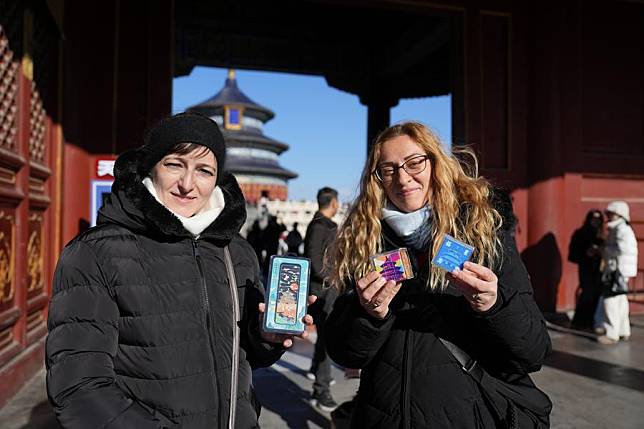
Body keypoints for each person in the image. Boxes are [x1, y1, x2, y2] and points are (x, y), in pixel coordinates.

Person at [45, 112, 313, 429]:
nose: (188, 185)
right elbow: (79, 389)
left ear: (217, 179)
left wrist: (264, 337)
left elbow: (238, 358)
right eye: (174, 164)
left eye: (204, 170)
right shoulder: (95, 254)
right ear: (151, 166)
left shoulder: (236, 251)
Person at [325, 122, 552, 428]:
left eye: (414, 162)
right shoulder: (364, 242)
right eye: (388, 169)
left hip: (468, 415)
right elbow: (345, 353)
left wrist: (492, 305)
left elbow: (533, 352)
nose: (403, 178)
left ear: (435, 162)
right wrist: (367, 315)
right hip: (384, 417)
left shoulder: (481, 231)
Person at [304, 187, 340, 412]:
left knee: (324, 339)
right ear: (333, 202)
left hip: (325, 289)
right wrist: (333, 277)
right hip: (323, 291)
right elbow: (313, 260)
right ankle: (322, 390)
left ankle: (318, 373)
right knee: (327, 339)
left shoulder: (324, 225)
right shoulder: (320, 226)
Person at [594, 201, 638, 344]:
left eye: (611, 213)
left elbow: (623, 249)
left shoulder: (620, 229)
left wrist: (604, 250)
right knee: (620, 300)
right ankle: (623, 330)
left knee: (611, 300)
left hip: (616, 269)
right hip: (622, 269)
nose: (609, 216)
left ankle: (612, 333)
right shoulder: (621, 228)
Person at [568, 210, 604, 330]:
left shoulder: (603, 234)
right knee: (587, 293)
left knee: (598, 294)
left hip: (600, 269)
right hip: (586, 268)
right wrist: (586, 253)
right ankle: (580, 322)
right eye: (593, 219)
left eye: (599, 219)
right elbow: (572, 254)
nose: (596, 221)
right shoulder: (580, 234)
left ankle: (594, 321)